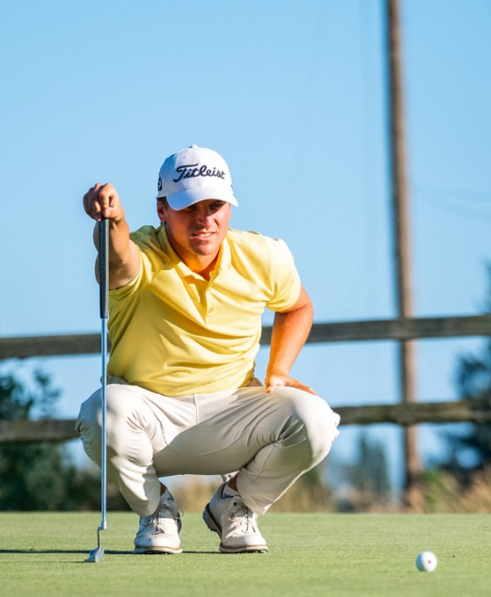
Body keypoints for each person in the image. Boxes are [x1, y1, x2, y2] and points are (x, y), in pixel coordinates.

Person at [77, 145, 339, 555]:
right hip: (151, 417)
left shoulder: (263, 255)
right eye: (188, 206)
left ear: (230, 208)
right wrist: (112, 220)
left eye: (215, 205)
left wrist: (279, 369)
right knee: (100, 410)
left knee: (316, 419)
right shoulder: (142, 254)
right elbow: (115, 256)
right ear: (162, 209)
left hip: (233, 413)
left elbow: (298, 306)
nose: (204, 219)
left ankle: (234, 505)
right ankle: (156, 512)